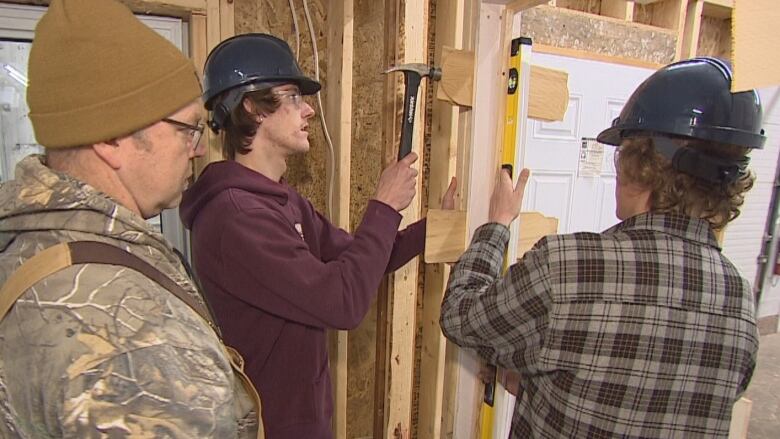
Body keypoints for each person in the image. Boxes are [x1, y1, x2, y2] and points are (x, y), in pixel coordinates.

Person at [440, 57, 762, 438]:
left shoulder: (568, 270)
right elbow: (653, 399)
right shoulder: (739, 300)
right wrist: (543, 383)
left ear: (638, 164)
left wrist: (496, 226)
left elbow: (460, 316)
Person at [0, 1, 261, 437]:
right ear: (110, 138)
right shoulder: (137, 343)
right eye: (187, 128)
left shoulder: (26, 242)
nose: (198, 149)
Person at [179, 33, 455, 438]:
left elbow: (363, 259)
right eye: (292, 96)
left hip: (304, 419)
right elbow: (343, 303)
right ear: (253, 107)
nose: (307, 110)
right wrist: (383, 206)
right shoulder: (236, 218)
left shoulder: (280, 202)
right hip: (272, 428)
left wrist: (433, 227)